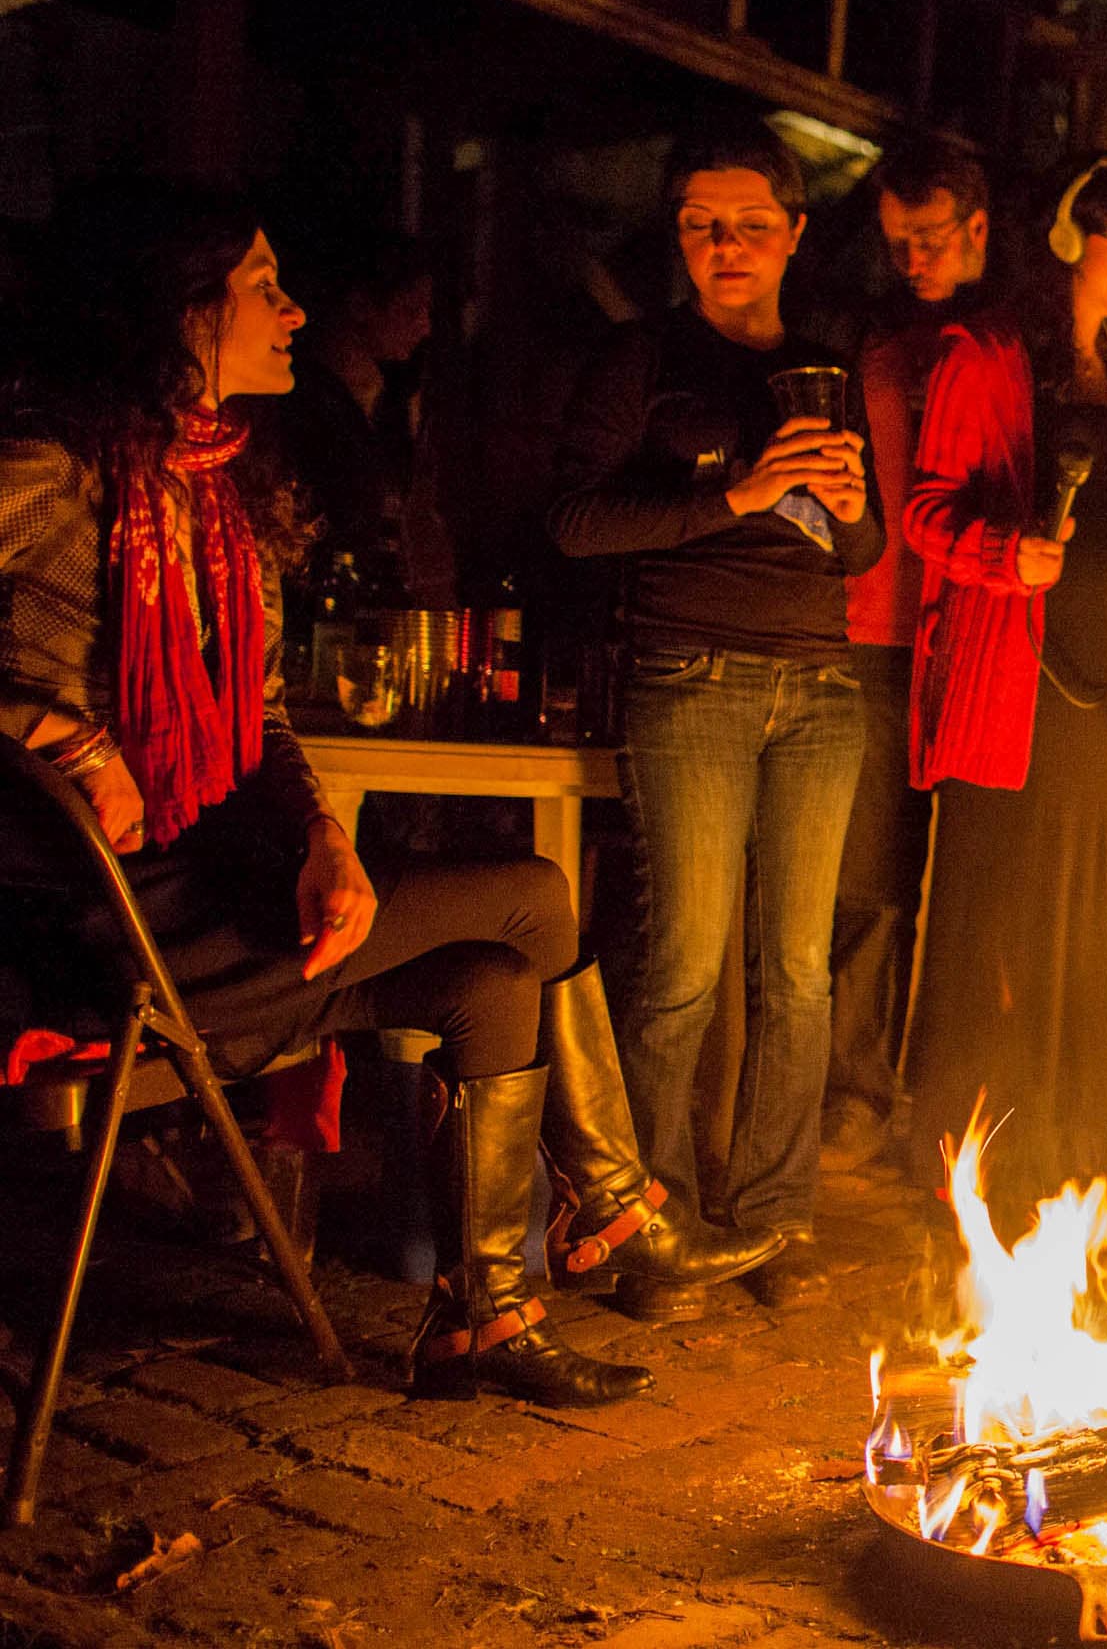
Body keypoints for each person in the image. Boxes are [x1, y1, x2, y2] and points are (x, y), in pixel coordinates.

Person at [0, 181, 778, 1406]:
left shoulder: (217, 490)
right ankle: (624, 1215)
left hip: (214, 886)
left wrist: (320, 831)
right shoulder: (56, 464)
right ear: (182, 308)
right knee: (532, 895)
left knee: (490, 980)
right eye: (263, 284)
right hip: (100, 919)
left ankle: (485, 1318)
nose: (295, 309)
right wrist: (67, 735)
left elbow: (256, 718)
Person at [549, 120, 879, 1309]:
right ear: (678, 237)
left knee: (799, 970)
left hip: (820, 685)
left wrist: (842, 505)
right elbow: (577, 522)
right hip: (688, 673)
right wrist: (736, 490)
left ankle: (774, 1220)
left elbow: (865, 544)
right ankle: (658, 1225)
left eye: (748, 224)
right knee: (685, 961)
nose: (724, 245)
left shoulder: (824, 367)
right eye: (699, 224)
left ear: (793, 233)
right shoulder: (641, 360)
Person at [895, 154, 1107, 1212]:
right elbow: (923, 508)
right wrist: (1005, 554)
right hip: (1018, 692)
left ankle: (1103, 1151)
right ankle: (998, 1163)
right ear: (1064, 239)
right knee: (1005, 922)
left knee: (1102, 926)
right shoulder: (986, 355)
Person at [820, 142, 994, 1174]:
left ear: (977, 225)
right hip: (874, 636)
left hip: (977, 646)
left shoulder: (1004, 347)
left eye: (930, 237)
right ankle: (852, 1089)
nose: (914, 258)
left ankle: (949, 1100)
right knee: (867, 877)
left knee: (969, 888)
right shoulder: (875, 348)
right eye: (898, 243)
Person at [259, 235, 454, 605]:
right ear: (361, 305)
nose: (425, 326)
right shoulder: (305, 406)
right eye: (413, 308)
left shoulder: (384, 403)